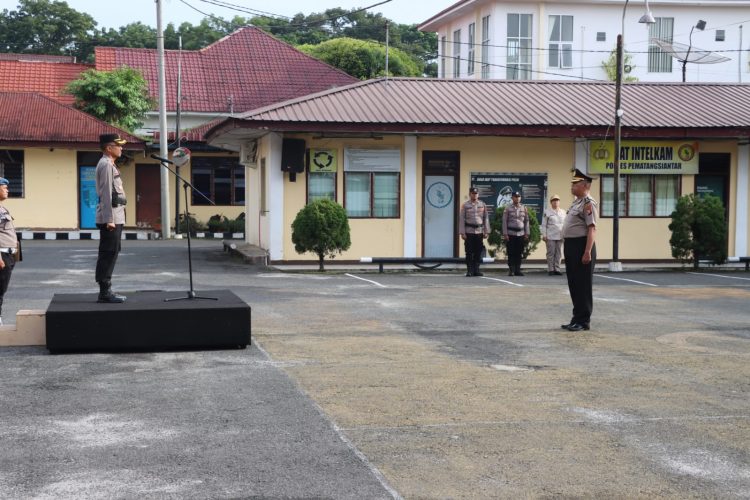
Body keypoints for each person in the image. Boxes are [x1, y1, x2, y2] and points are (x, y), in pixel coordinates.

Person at [561, 169, 598, 332]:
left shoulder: (588, 203)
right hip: (571, 246)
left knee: (583, 285)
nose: (572, 187)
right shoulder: (576, 202)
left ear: (584, 185)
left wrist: (587, 251)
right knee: (574, 284)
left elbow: (592, 228)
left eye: (575, 184)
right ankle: (576, 318)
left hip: (582, 246)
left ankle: (583, 321)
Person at [95, 133, 128, 303]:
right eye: (118, 145)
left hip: (116, 215)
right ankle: (105, 291)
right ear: (109, 148)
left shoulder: (110, 164)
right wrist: (109, 219)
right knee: (108, 253)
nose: (121, 148)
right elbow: (106, 193)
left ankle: (106, 289)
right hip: (111, 217)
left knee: (112, 252)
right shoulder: (106, 165)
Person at [458, 186, 490, 277]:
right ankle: (469, 270)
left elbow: (486, 218)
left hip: (479, 232)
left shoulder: (482, 204)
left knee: (478, 252)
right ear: (470, 194)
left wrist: (486, 231)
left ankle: (476, 270)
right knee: (469, 252)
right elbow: (462, 219)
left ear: (478, 194)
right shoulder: (465, 205)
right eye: (473, 193)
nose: (474, 195)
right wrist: (462, 232)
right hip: (469, 232)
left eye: (476, 193)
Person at [0, 177, 18, 325]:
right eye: (4, 188)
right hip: (2, 255)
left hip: (9, 255)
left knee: (2, 289)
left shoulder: (3, 209)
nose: (7, 190)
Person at [502, 191, 529, 276]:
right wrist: (505, 233)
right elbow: (504, 221)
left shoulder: (524, 208)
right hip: (511, 233)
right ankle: (511, 270)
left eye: (518, 197)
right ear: (512, 198)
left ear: (520, 198)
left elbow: (526, 221)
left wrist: (527, 233)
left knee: (519, 252)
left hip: (521, 234)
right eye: (515, 197)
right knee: (511, 252)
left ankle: (518, 270)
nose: (517, 198)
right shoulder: (508, 208)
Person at [542, 194, 565, 275]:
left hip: (560, 235)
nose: (555, 202)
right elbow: (544, 225)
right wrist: (544, 235)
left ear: (559, 202)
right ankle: (551, 269)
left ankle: (557, 269)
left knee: (559, 253)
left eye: (557, 200)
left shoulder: (563, 212)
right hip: (550, 236)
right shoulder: (547, 212)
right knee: (551, 253)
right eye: (554, 200)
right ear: (551, 202)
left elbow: (565, 224)